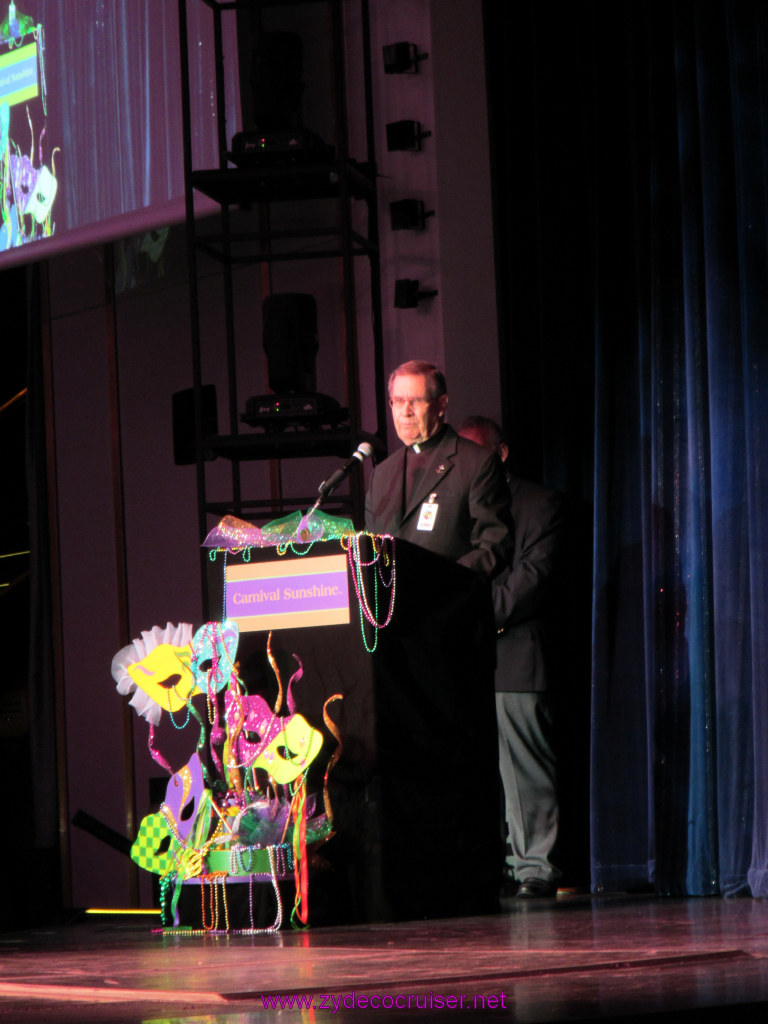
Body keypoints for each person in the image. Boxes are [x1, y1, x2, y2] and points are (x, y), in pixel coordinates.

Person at [459, 414, 566, 899]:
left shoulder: (539, 503)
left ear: (499, 454)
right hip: (462, 658)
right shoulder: (460, 506)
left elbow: (532, 580)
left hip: (514, 656)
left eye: (475, 455)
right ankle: (494, 865)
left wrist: (468, 616)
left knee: (524, 771)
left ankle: (535, 868)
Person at [364, 361, 512, 577]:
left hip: (449, 603)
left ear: (441, 404)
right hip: (393, 607)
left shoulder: (477, 463)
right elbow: (370, 550)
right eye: (398, 401)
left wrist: (440, 583)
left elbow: (493, 546)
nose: (406, 412)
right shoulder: (381, 474)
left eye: (415, 401)